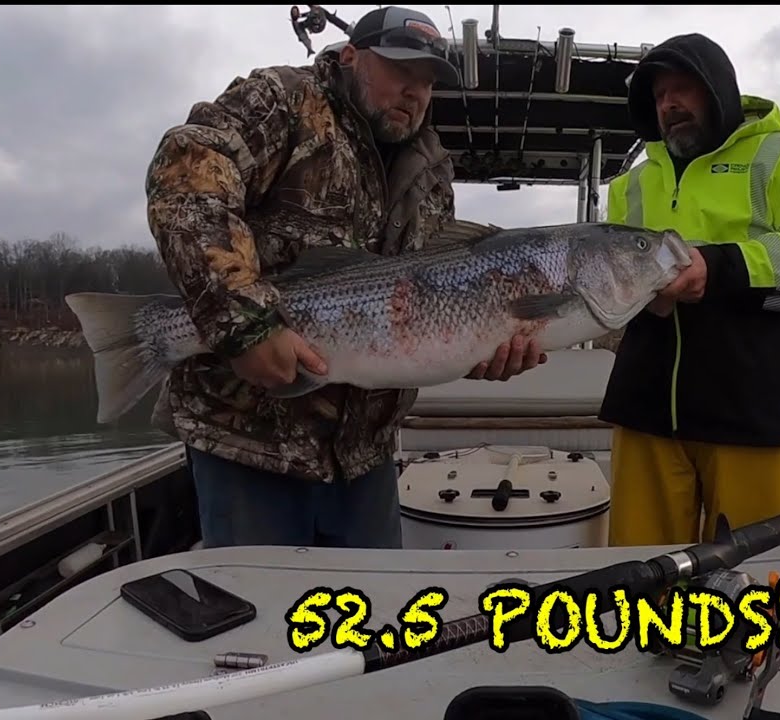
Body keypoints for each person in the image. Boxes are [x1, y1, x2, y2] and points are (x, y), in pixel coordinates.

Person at [145, 6, 546, 550]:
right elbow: (188, 170)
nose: (415, 92)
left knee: (374, 621)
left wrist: (477, 348)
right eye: (401, 70)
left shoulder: (432, 175)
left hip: (366, 461)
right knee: (260, 620)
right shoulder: (285, 101)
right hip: (251, 444)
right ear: (352, 57)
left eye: (427, 82)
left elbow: (425, 305)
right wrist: (246, 326)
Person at [600, 33, 780, 546]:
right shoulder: (628, 186)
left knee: (757, 595)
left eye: (683, 89)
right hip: (647, 411)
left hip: (761, 414)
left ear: (719, 90)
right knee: (640, 590)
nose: (669, 104)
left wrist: (719, 267)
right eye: (658, 96)